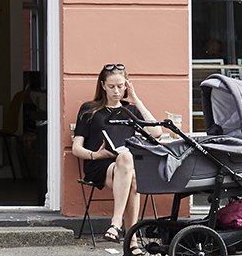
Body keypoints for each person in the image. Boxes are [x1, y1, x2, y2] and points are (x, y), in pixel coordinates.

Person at [69, 63, 173, 244]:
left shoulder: (130, 110)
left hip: (124, 167)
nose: (116, 91)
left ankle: (117, 226)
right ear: (102, 86)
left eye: (120, 86)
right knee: (129, 165)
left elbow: (156, 133)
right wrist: (96, 155)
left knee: (129, 169)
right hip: (99, 164)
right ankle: (131, 240)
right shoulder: (90, 110)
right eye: (111, 87)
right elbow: (77, 148)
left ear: (127, 85)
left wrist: (136, 100)